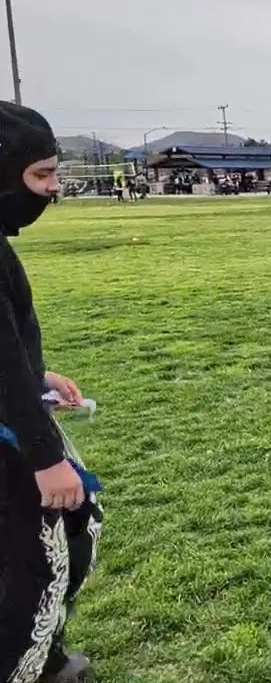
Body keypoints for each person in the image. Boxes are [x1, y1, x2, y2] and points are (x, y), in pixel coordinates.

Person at [0, 101, 103, 683]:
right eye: (41, 175)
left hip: (18, 424)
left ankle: (45, 658)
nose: (53, 189)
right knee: (34, 568)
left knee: (78, 530)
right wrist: (44, 458)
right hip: (11, 447)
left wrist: (36, 376)